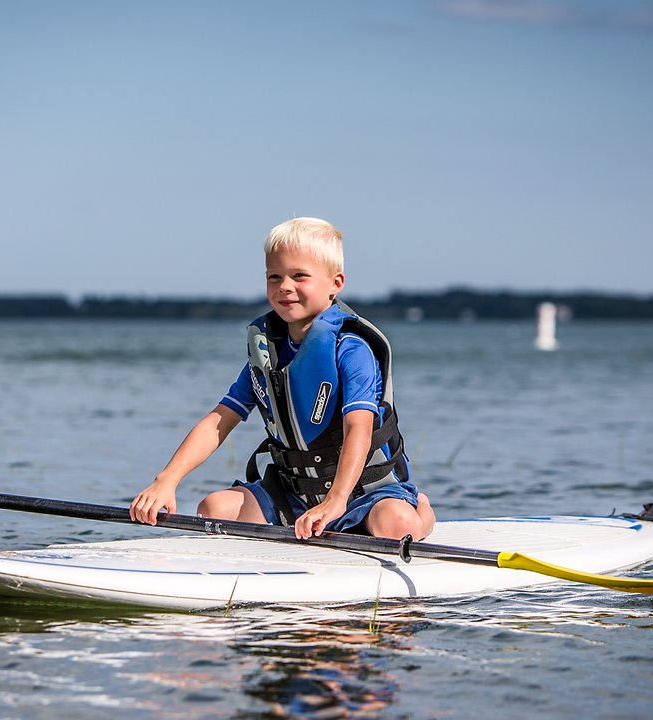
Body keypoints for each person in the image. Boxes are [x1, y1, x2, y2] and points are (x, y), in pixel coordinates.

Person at [130, 217, 435, 541]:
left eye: (299, 276)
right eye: (274, 277)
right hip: (294, 495)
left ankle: (423, 512)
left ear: (336, 283)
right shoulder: (267, 354)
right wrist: (167, 479)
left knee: (397, 525)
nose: (284, 286)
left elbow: (357, 427)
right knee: (213, 508)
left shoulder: (351, 349)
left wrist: (335, 501)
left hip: (363, 495)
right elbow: (219, 420)